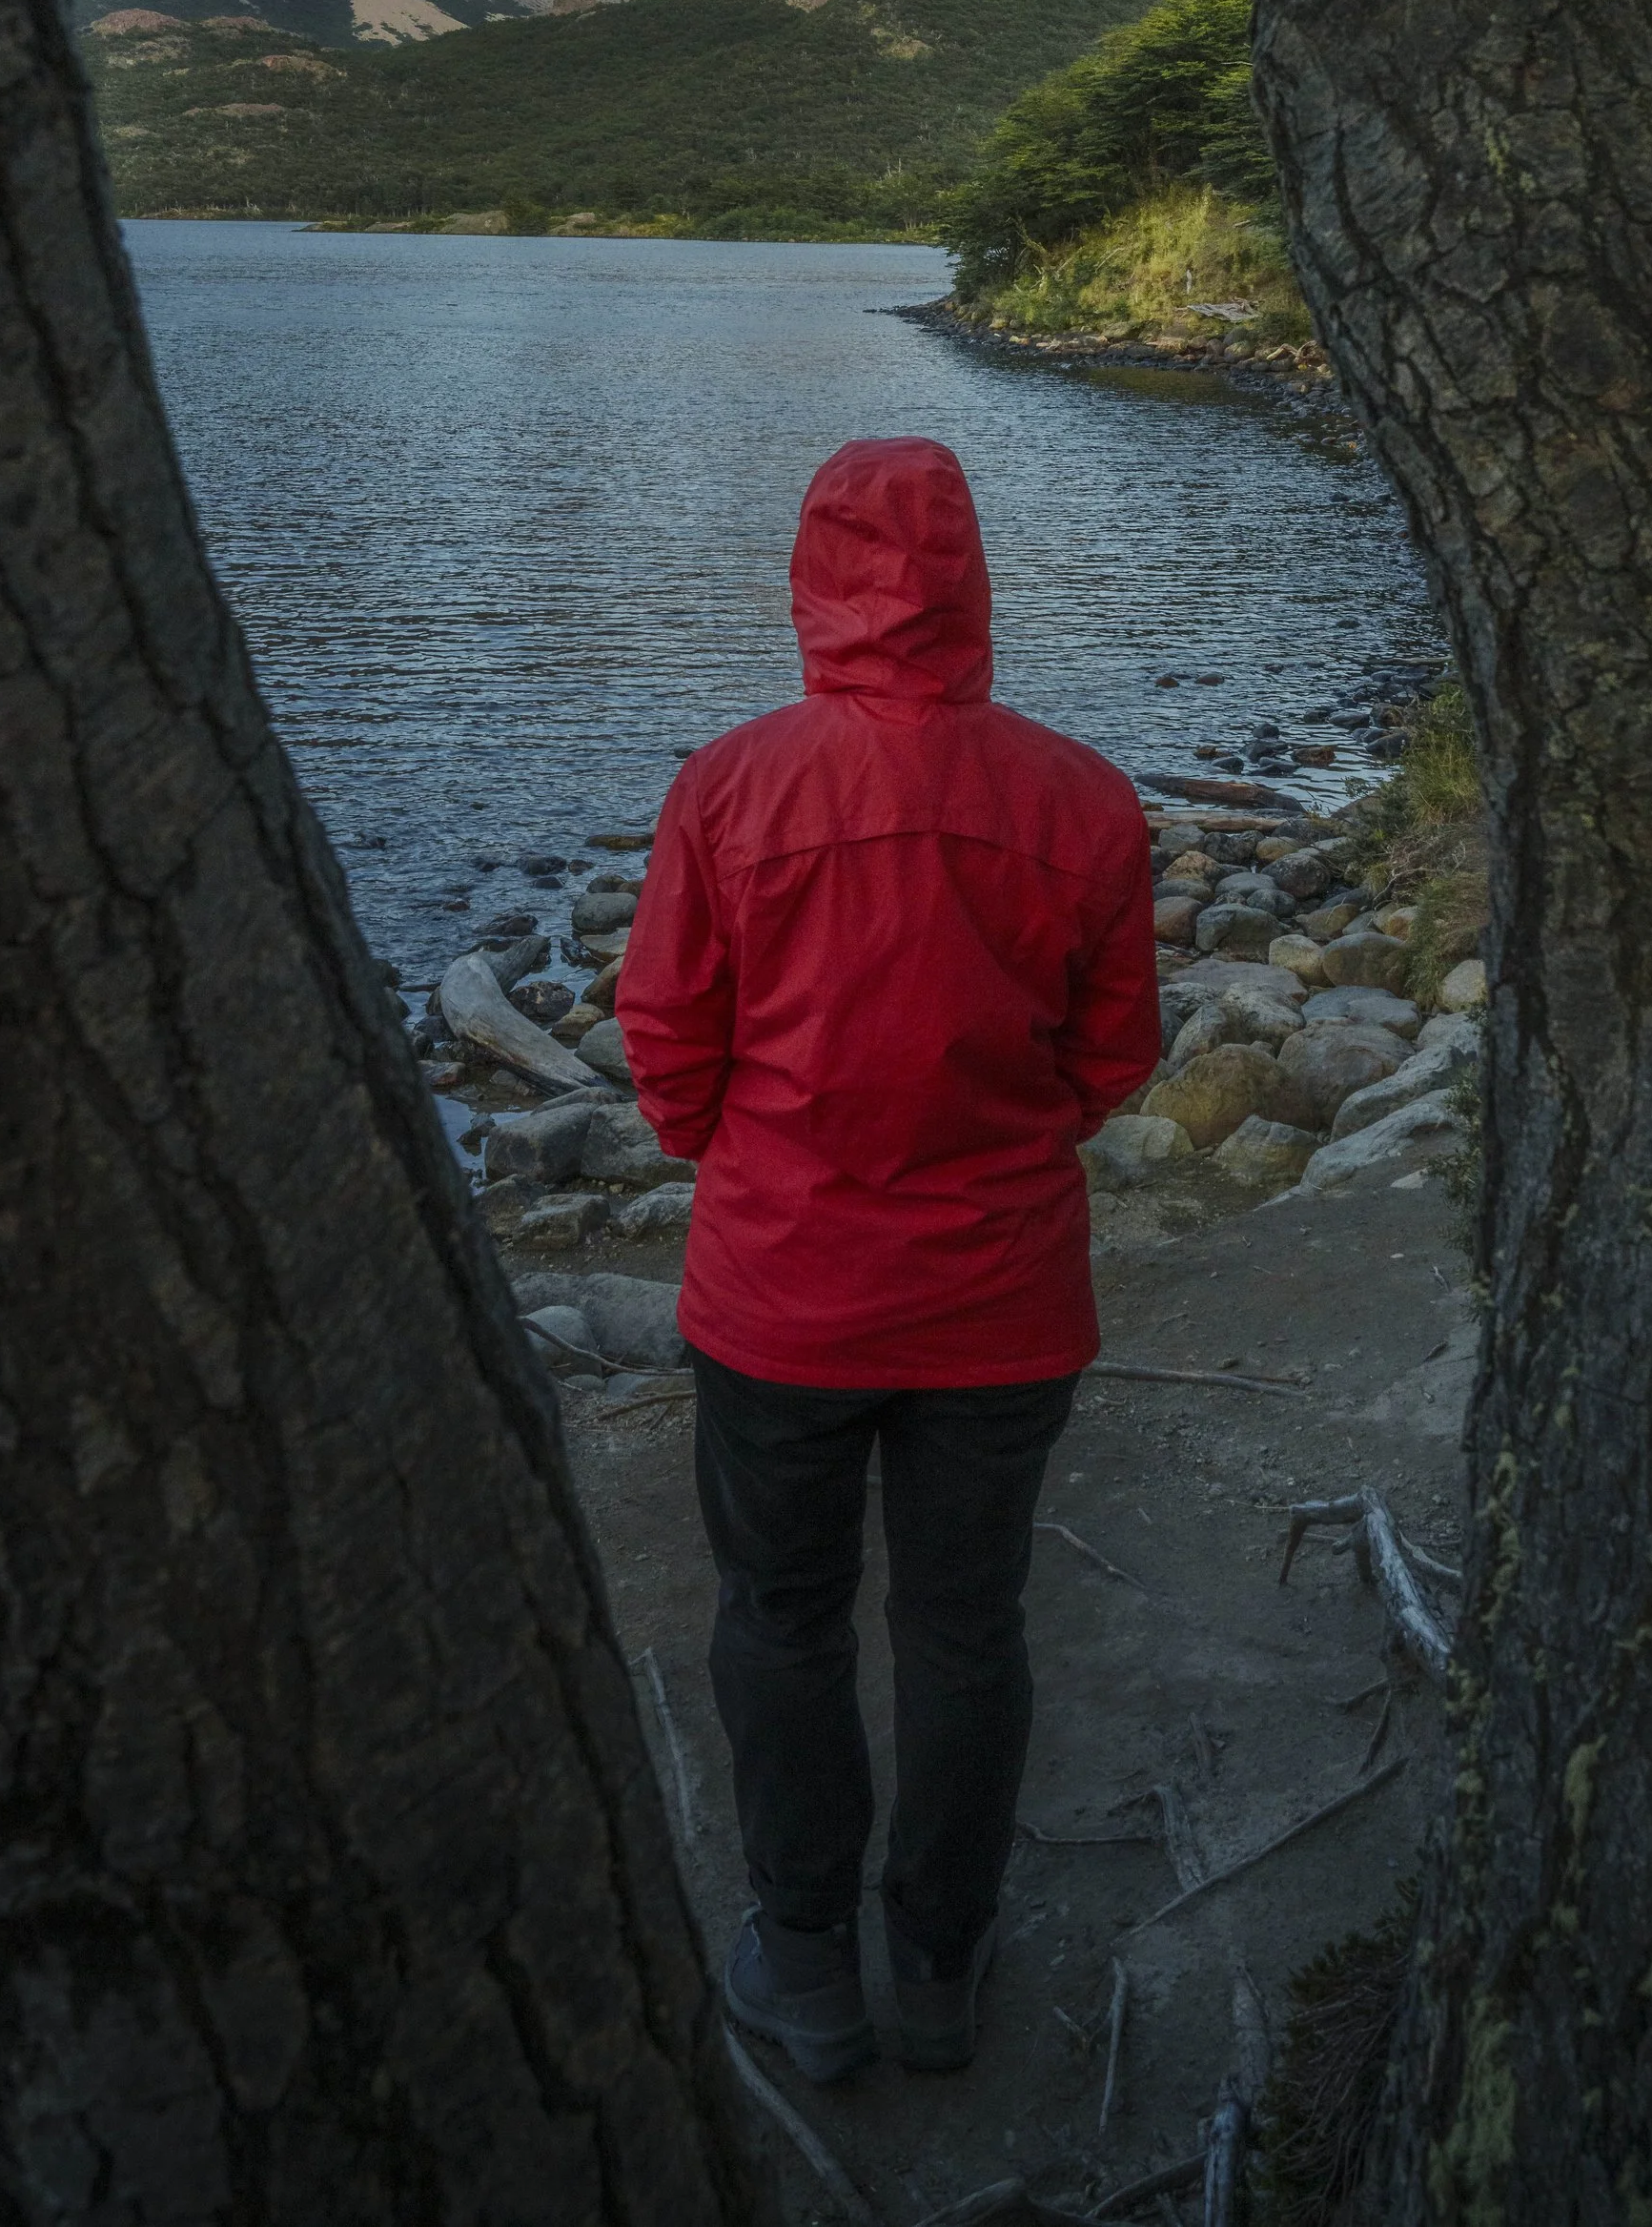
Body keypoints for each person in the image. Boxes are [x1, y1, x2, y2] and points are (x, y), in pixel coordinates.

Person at [620, 436, 1160, 2082]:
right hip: (998, 1299)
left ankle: (805, 1959)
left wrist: (756, 1151)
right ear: (971, 581)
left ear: (813, 576)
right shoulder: (1080, 794)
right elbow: (1114, 1055)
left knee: (780, 1615)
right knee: (965, 1624)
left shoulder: (733, 782)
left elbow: (666, 1039)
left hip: (784, 1293)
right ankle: (937, 1961)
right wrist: (997, 1131)